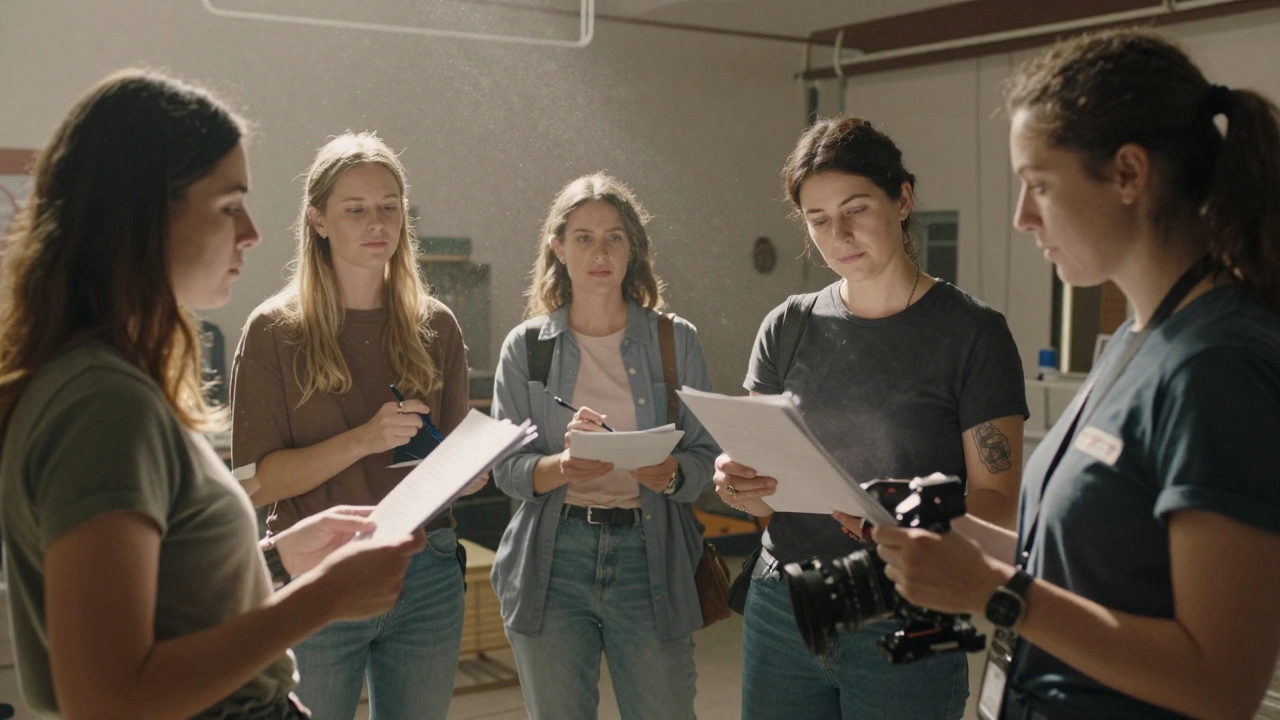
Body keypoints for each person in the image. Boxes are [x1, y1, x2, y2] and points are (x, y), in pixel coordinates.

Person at [874, 28, 1280, 720]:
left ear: (1128, 173)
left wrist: (995, 593)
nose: (1022, 217)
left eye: (1039, 185)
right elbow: (1084, 565)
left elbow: (1223, 683)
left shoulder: (1220, 366)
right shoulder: (1136, 336)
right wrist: (952, 544)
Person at [0, 69, 424, 720]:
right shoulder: (101, 404)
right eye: (229, 207)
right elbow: (108, 696)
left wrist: (276, 561)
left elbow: (158, 596)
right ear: (142, 215)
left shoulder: (99, 381)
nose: (251, 232)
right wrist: (323, 599)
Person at [712, 116, 1028, 720]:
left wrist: (902, 519)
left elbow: (996, 502)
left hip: (907, 603)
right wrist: (740, 485)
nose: (840, 235)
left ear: (902, 199)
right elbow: (764, 497)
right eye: (818, 219)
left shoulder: (972, 334)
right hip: (786, 604)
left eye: (856, 209)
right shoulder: (787, 325)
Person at [230, 132, 475, 720]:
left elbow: (454, 454)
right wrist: (365, 439)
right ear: (317, 220)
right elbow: (254, 483)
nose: (377, 222)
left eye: (390, 206)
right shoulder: (273, 330)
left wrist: (470, 473)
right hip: (317, 566)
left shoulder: (436, 326)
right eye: (356, 209)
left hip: (426, 568)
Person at [489, 173, 719, 720]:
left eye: (614, 237)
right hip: (552, 558)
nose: (600, 252)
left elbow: (708, 455)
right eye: (584, 237)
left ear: (632, 249)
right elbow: (505, 468)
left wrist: (669, 474)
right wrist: (563, 466)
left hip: (651, 555)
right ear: (558, 248)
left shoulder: (674, 339)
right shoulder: (526, 348)